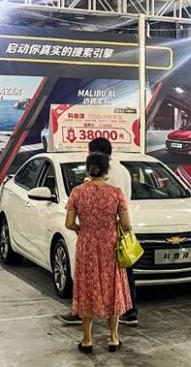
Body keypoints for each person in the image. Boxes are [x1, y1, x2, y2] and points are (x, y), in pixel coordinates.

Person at [60, 137, 138, 326]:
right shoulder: (123, 172)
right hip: (114, 234)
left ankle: (83, 313)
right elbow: (125, 211)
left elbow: (71, 221)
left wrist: (81, 227)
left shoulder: (81, 189)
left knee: (89, 276)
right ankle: (127, 313)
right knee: (120, 276)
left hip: (90, 238)